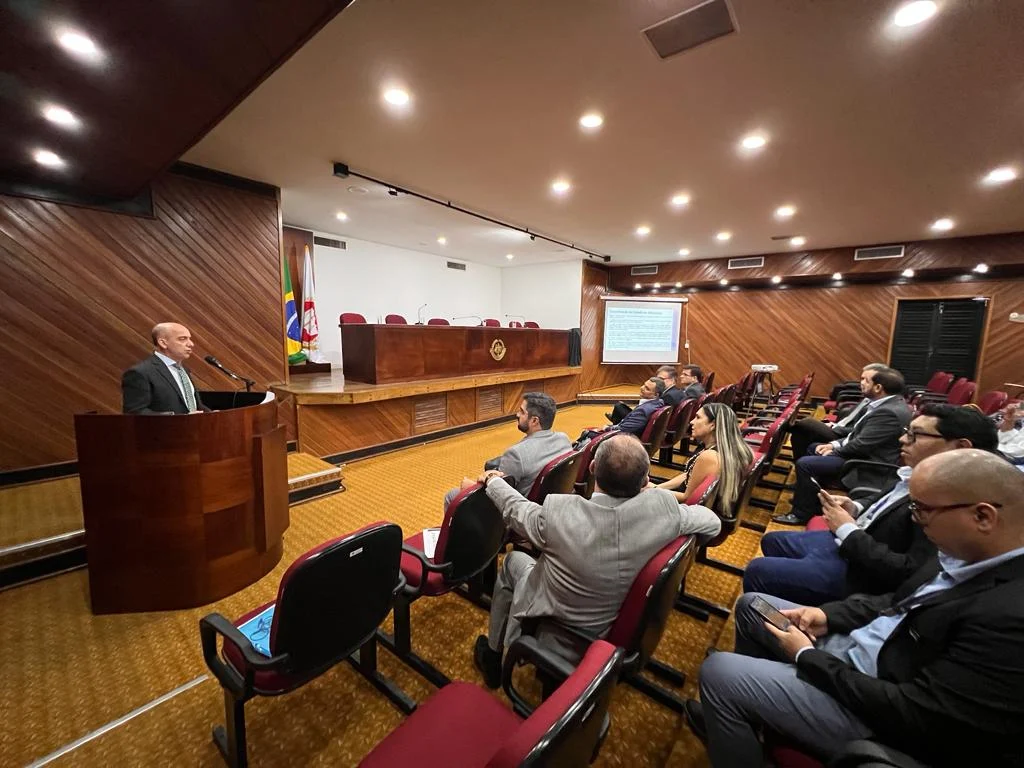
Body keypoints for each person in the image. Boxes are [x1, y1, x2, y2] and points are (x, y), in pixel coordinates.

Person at [687, 449, 1024, 768]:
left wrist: (807, 658)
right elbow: (894, 602)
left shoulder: (1007, 618)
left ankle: (742, 704)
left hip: (873, 710)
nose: (916, 521)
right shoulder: (963, 552)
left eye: (921, 509)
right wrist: (827, 616)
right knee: (753, 606)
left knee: (719, 673)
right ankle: (752, 715)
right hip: (857, 651)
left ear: (982, 516)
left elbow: (917, 714)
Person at [472, 433, 721, 687]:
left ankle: (493, 655)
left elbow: (516, 508)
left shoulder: (561, 514)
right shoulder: (664, 510)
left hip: (562, 627)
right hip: (617, 621)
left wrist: (492, 479)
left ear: (592, 469)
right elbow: (712, 523)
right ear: (646, 480)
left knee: (513, 560)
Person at [744, 405, 998, 605]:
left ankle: (779, 629)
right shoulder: (917, 472)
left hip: (863, 571)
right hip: (854, 540)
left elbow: (910, 573)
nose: (902, 440)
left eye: (915, 435)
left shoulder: (957, 504)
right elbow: (885, 502)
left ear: (960, 446)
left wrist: (848, 531)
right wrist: (854, 506)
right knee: (772, 541)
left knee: (758, 570)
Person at [774, 366, 911, 525]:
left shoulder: (889, 412)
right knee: (814, 448)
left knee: (805, 464)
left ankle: (801, 514)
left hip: (866, 463)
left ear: (878, 387)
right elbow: (856, 433)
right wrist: (833, 445)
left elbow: (861, 446)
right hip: (859, 453)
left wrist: (836, 450)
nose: (861, 383)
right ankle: (811, 497)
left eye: (866, 380)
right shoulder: (887, 404)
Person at [443, 392, 570, 508]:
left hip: (520, 512)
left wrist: (470, 487)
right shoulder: (564, 439)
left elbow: (499, 495)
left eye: (522, 411)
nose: (517, 414)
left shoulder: (516, 454)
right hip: (551, 504)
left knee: (452, 495)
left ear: (534, 421)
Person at [655, 403, 753, 516]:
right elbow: (690, 475)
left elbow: (686, 497)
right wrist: (658, 486)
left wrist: (654, 492)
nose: (691, 422)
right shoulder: (718, 449)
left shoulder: (709, 457)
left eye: (698, 417)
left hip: (685, 513)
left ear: (713, 425)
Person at [788, 363, 888, 459]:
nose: (861, 383)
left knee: (807, 422)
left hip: (843, 434)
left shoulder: (879, 406)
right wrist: (834, 424)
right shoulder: (868, 398)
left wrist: (834, 427)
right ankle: (801, 461)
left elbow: (858, 430)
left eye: (866, 380)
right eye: (862, 379)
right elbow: (851, 417)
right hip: (839, 426)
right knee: (799, 432)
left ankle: (783, 426)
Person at [122, 322, 210, 414]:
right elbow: (135, 412)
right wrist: (181, 419)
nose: (191, 344)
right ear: (163, 343)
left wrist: (212, 414)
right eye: (182, 339)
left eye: (189, 339)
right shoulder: (140, 372)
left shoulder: (184, 370)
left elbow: (194, 406)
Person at [579, 377, 666, 443]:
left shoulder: (644, 411)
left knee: (587, 434)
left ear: (656, 395)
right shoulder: (658, 402)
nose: (642, 388)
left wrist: (607, 428)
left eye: (647, 389)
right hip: (629, 433)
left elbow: (622, 430)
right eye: (644, 385)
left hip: (626, 441)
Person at [607, 365, 688, 424]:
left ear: (672, 380)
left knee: (619, 406)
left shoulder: (668, 396)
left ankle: (616, 423)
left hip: (648, 426)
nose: (657, 381)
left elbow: (650, 416)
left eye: (661, 379)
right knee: (621, 406)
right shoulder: (678, 392)